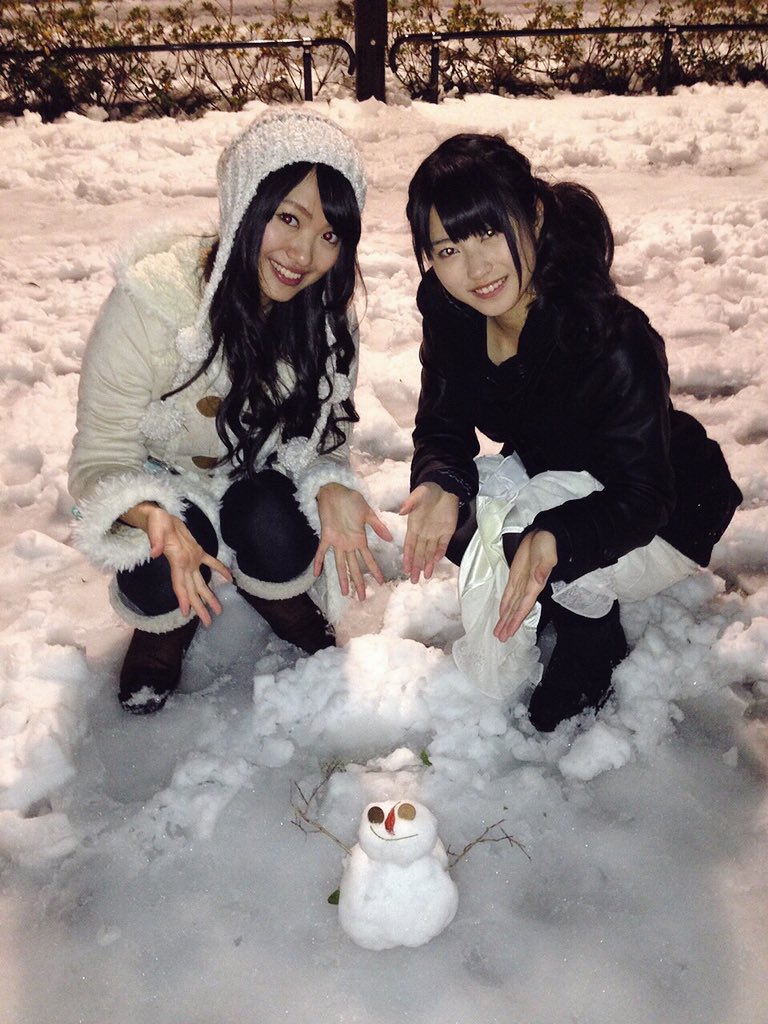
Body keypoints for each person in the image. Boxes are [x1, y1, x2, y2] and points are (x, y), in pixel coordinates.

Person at [400, 132, 741, 732]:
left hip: (666, 508)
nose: (475, 269)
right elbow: (442, 422)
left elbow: (645, 495)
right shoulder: (451, 311)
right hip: (556, 468)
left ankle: (592, 638)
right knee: (459, 522)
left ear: (534, 215)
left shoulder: (610, 336)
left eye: (489, 233)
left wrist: (558, 535)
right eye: (448, 249)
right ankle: (560, 589)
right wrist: (438, 482)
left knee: (524, 539)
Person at [69, 109, 392, 715]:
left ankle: (278, 594)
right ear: (245, 204)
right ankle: (165, 623)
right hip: (168, 484)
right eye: (288, 218)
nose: (304, 254)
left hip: (255, 482)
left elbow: (324, 439)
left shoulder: (325, 319)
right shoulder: (149, 305)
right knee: (159, 546)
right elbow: (99, 459)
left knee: (273, 521)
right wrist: (147, 513)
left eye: (330, 236)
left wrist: (330, 483)